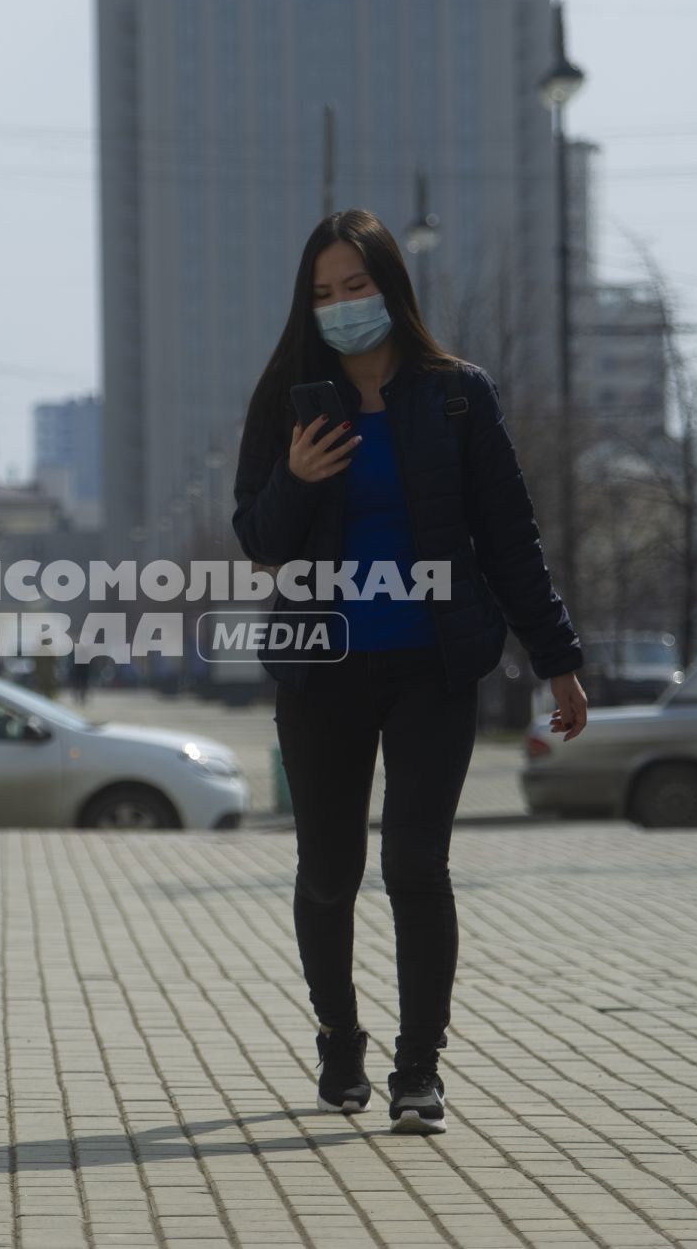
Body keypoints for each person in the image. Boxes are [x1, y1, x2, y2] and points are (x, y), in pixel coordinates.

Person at [230, 209, 588, 1135]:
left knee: (415, 863)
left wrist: (558, 661)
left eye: (356, 286)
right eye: (323, 293)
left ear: (390, 286)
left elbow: (510, 537)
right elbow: (259, 545)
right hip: (324, 670)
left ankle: (418, 1070)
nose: (342, 305)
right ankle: (339, 1039)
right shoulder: (287, 400)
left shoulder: (457, 395)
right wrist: (298, 478)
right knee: (329, 870)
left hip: (433, 663)